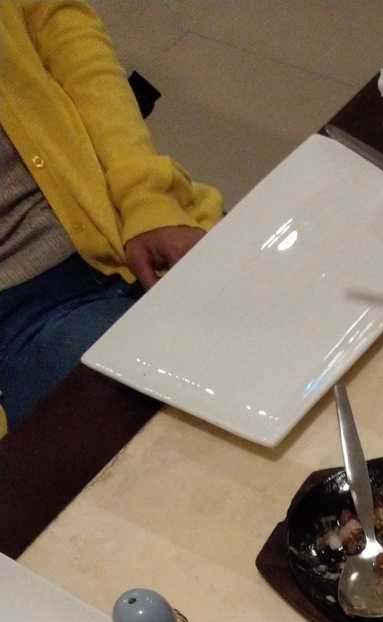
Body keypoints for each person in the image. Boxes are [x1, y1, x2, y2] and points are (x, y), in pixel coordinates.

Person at [0, 0, 223, 434]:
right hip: (20, 311)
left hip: (111, 213)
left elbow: (67, 35)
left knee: (294, 317)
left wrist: (146, 197)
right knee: (176, 430)